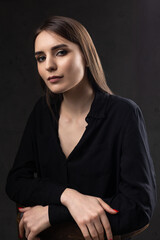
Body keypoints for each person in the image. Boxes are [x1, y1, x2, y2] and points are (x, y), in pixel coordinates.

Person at [5, 15, 157, 240]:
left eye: (60, 52)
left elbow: (137, 208)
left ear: (85, 56)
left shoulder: (124, 114)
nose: (49, 65)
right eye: (40, 57)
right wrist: (69, 197)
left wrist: (52, 213)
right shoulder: (42, 111)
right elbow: (16, 183)